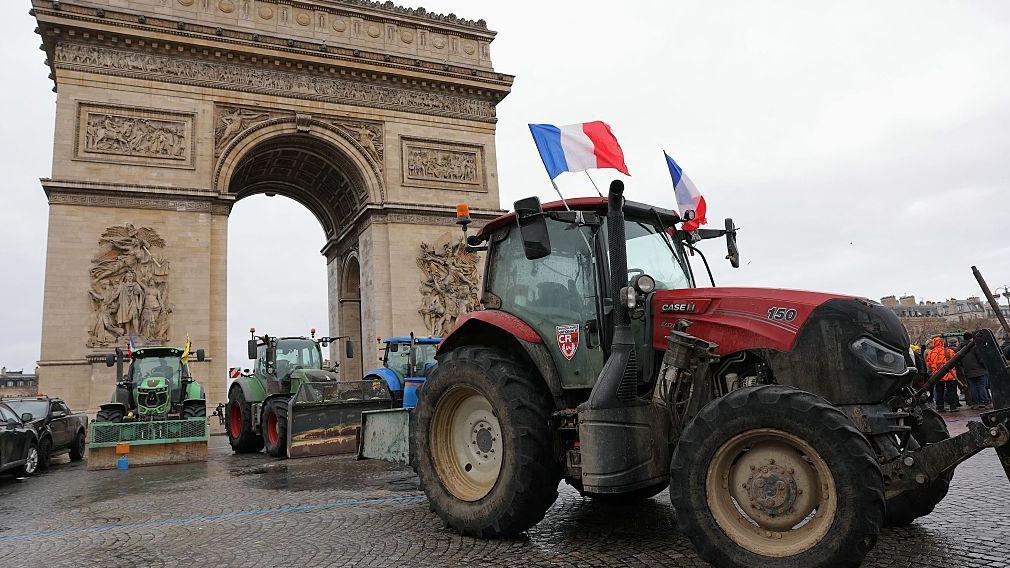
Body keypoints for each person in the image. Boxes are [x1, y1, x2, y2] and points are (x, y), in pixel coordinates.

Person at [958, 332, 991, 410]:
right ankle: (985, 402)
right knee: (982, 386)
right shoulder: (974, 346)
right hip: (979, 370)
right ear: (971, 338)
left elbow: (960, 361)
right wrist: (986, 366)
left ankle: (975, 403)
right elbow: (980, 359)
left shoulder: (960, 348)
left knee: (972, 387)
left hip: (968, 371)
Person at [926, 337, 958, 412]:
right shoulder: (949, 351)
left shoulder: (930, 353)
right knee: (951, 391)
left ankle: (940, 406)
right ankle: (953, 406)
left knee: (939, 391)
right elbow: (955, 361)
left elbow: (929, 365)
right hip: (950, 375)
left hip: (937, 375)